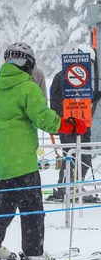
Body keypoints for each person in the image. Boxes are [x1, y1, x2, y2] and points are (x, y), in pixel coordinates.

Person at [0, 42, 86, 260]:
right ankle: (34, 253)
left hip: (3, 158)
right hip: (23, 159)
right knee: (32, 209)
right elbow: (44, 118)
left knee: (4, 205)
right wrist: (69, 125)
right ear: (28, 63)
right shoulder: (27, 87)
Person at [47, 44, 99, 202]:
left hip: (79, 125)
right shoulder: (65, 76)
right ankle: (66, 189)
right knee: (72, 157)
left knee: (78, 157)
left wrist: (94, 96)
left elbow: (78, 99)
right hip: (70, 126)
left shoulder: (73, 77)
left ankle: (71, 188)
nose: (89, 66)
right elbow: (65, 101)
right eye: (88, 62)